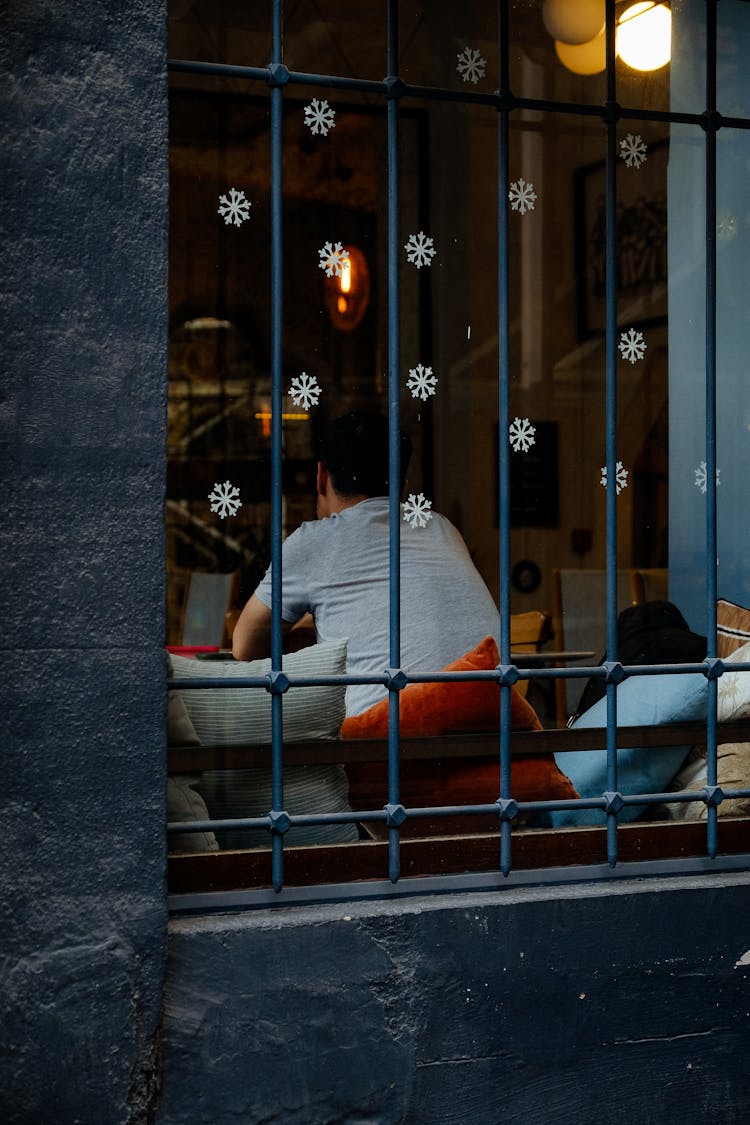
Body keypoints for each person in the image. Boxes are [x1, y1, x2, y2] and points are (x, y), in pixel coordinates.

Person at [232, 411, 500, 716]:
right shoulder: (441, 528)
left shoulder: (315, 540)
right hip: (490, 736)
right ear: (404, 487)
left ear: (322, 477)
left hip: (383, 746)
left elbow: (245, 645)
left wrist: (309, 625)